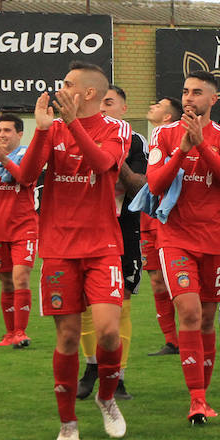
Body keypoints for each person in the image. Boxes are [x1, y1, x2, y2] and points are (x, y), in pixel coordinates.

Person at [18, 63, 131, 440]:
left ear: (88, 94)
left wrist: (73, 126)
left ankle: (106, 398)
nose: (60, 88)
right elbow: (27, 176)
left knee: (109, 332)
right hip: (60, 249)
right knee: (67, 336)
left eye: (67, 84)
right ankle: (68, 422)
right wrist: (42, 129)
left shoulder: (117, 129)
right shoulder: (54, 127)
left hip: (102, 248)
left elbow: (102, 165)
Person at [146, 71, 220, 425]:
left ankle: (205, 395)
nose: (189, 98)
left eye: (197, 93)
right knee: (187, 311)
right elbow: (155, 183)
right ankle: (196, 400)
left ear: (213, 100)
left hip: (216, 240)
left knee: (205, 319)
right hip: (176, 239)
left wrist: (201, 144)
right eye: (185, 91)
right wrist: (182, 150)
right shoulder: (165, 135)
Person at [77, 85, 147, 401]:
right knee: (82, 302)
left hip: (122, 230)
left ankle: (118, 376)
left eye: (109, 103)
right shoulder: (75, 134)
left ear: (123, 108)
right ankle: (92, 365)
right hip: (83, 230)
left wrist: (113, 158)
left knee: (122, 301)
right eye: (98, 103)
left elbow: (141, 188)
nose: (102, 109)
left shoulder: (134, 141)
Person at [0, 113, 38, 348]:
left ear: (19, 133)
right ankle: (9, 334)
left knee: (21, 278)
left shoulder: (27, 155)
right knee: (6, 283)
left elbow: (25, 179)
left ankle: (21, 332)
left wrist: (4, 160)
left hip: (22, 228)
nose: (1, 135)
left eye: (7, 130)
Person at [141, 96, 184, 356]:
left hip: (174, 220)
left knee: (182, 284)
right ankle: (172, 340)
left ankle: (192, 332)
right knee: (157, 281)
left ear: (168, 116)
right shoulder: (149, 139)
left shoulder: (174, 138)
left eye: (158, 104)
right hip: (149, 220)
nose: (152, 106)